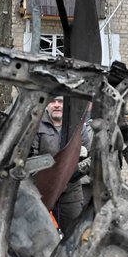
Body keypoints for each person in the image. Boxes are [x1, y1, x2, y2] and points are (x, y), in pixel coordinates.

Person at [31, 96, 92, 230]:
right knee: (36, 233)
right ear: (47, 105)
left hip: (70, 190)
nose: (57, 105)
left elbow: (89, 155)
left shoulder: (78, 127)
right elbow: (31, 159)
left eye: (61, 101)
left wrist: (79, 164)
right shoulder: (36, 125)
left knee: (76, 232)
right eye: (53, 101)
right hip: (42, 189)